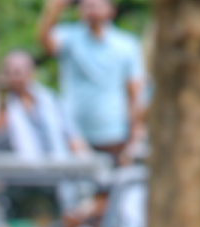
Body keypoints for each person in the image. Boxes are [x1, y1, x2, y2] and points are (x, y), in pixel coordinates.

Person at [38, 0, 144, 164]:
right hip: (74, 132)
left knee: (110, 185)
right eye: (86, 6)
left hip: (113, 131)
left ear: (111, 10)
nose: (91, 11)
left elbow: (135, 91)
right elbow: (45, 42)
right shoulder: (69, 38)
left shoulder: (126, 44)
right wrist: (54, 9)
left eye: (96, 6)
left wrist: (135, 130)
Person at [0, 50, 88, 158]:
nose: (14, 77)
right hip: (20, 170)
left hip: (57, 167)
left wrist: (84, 160)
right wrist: (3, 96)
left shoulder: (50, 99)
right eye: (9, 73)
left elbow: (72, 135)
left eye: (18, 72)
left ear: (32, 72)